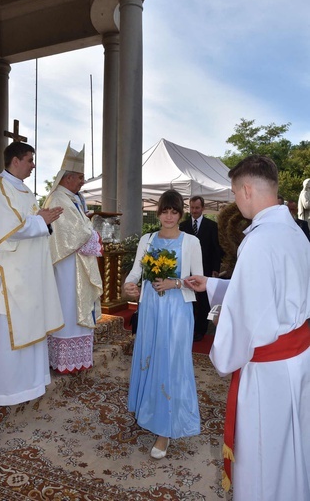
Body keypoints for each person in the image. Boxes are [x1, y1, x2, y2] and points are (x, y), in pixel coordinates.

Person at [185, 155, 310, 501]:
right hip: (298, 358)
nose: (234, 200)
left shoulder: (259, 240)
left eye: (233, 192)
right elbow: (277, 291)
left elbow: (247, 312)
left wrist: (222, 350)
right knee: (293, 444)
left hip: (268, 371)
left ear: (247, 189)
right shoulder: (295, 233)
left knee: (263, 454)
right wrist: (211, 284)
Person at [0, 141, 64, 406]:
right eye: (30, 160)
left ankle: (29, 385)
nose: (33, 165)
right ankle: (4, 389)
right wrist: (41, 220)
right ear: (15, 161)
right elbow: (7, 230)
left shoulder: (25, 191)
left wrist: (46, 222)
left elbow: (33, 225)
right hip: (8, 275)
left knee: (30, 326)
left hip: (29, 274)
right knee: (6, 331)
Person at [124, 189, 203, 459]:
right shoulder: (147, 239)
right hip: (150, 311)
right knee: (150, 360)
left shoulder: (191, 242)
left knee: (170, 366)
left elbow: (198, 280)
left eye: (174, 211)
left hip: (177, 311)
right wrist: (128, 285)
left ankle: (165, 431)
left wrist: (175, 282)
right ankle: (148, 411)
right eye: (165, 211)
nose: (169, 216)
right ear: (157, 213)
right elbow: (137, 270)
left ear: (181, 214)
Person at [44, 142, 103, 374]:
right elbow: (73, 233)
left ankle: (75, 360)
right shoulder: (59, 198)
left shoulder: (72, 198)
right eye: (80, 177)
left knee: (75, 306)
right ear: (67, 178)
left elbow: (79, 227)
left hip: (77, 262)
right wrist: (94, 234)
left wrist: (88, 227)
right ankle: (65, 361)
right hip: (67, 266)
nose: (82, 182)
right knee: (68, 306)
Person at [179, 195, 222, 341]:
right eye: (192, 208)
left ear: (202, 208)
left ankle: (200, 331)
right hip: (186, 269)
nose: (194, 210)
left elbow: (217, 249)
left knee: (203, 302)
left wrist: (215, 269)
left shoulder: (212, 226)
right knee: (188, 300)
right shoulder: (183, 226)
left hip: (206, 269)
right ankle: (187, 327)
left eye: (197, 208)